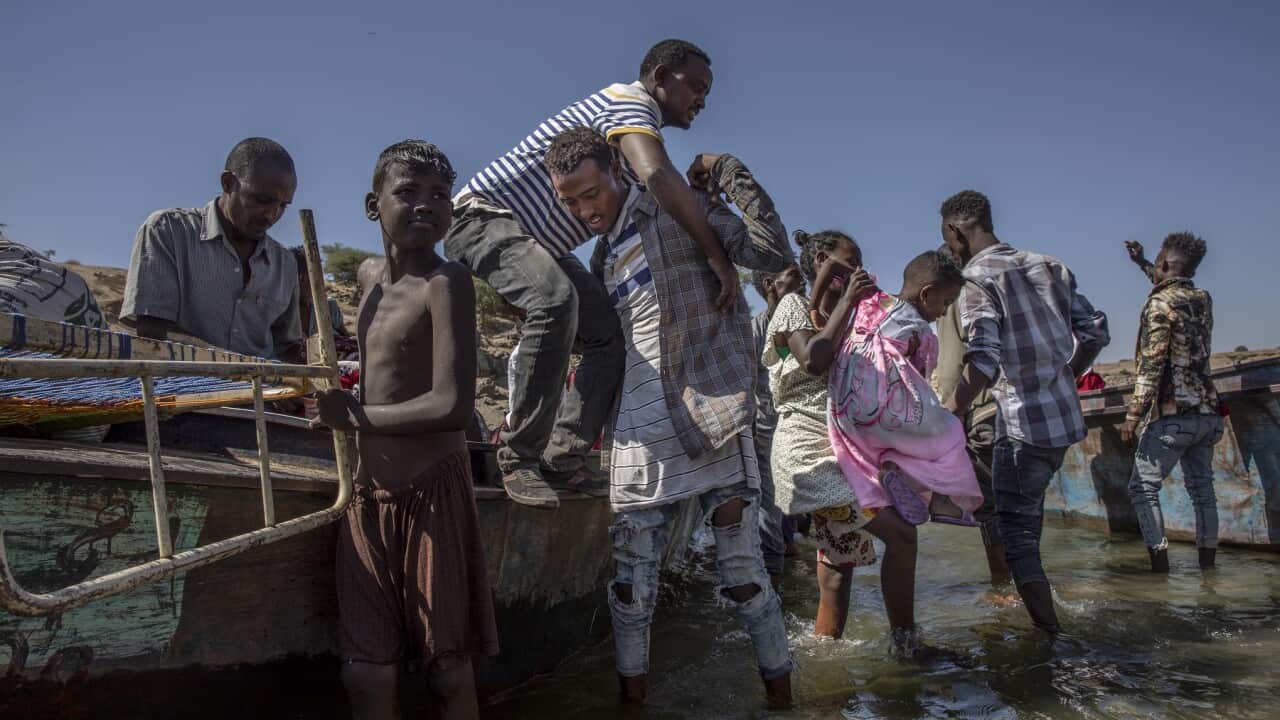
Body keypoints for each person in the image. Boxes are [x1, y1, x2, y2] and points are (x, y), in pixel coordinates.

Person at [545, 128, 794, 707]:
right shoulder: (604, 256)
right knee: (631, 590)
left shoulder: (682, 207)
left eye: (591, 193)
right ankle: (634, 706)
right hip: (638, 431)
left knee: (743, 576)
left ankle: (785, 705)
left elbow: (770, 252)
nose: (585, 211)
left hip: (707, 415)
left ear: (618, 169)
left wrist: (729, 170)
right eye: (570, 202)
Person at [445, 39, 736, 509]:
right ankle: (519, 456)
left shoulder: (624, 143)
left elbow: (661, 193)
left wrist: (705, 177)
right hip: (482, 219)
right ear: (660, 77)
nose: (701, 99)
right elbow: (660, 176)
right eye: (696, 86)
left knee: (607, 336)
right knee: (555, 300)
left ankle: (565, 457)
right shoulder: (628, 103)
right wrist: (717, 256)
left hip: (538, 248)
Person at [312, 141, 499, 720]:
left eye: (440, 195)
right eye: (408, 192)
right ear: (374, 205)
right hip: (365, 495)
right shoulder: (367, 279)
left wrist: (355, 417)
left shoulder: (447, 282)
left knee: (447, 665)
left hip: (431, 492)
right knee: (367, 667)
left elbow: (451, 406)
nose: (426, 205)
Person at [941, 190, 1110, 635]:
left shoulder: (975, 280)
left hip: (1020, 424)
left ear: (955, 231)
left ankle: (1050, 636)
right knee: (1028, 520)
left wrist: (950, 412)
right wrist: (1066, 375)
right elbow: (1094, 332)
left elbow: (983, 359)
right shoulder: (1050, 265)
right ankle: (1041, 613)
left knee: (1015, 534)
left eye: (947, 236)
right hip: (1063, 420)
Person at [766, 229, 925, 653]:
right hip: (810, 458)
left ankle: (824, 661)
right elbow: (812, 359)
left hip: (838, 456)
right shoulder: (790, 307)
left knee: (840, 568)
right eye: (848, 263)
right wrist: (846, 296)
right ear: (823, 259)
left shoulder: (836, 318)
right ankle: (907, 646)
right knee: (903, 536)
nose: (857, 271)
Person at [827, 250, 983, 525]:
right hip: (883, 415)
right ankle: (940, 499)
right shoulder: (921, 333)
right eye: (945, 302)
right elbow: (918, 381)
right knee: (950, 432)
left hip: (845, 413)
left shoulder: (872, 302)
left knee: (899, 439)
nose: (945, 311)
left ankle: (892, 470)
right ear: (926, 293)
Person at [121, 137, 303, 361]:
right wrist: (240, 370)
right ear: (228, 183)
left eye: (283, 205)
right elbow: (152, 332)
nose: (272, 215)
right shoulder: (168, 230)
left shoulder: (285, 263)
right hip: (181, 389)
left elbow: (287, 346)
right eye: (262, 200)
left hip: (263, 391)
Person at [1122, 233, 1222, 571]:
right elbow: (1171, 285)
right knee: (1202, 491)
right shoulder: (1202, 299)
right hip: (1207, 414)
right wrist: (1142, 264)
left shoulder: (1159, 305)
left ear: (1164, 263)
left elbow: (1151, 363)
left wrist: (1134, 415)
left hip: (1172, 417)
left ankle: (1160, 568)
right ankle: (1208, 567)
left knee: (1142, 488)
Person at [934, 252, 1012, 590]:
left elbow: (952, 366)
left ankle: (1004, 585)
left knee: (992, 510)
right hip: (1016, 408)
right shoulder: (1003, 283)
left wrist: (950, 415)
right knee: (1018, 506)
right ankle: (1026, 582)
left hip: (982, 410)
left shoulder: (956, 295)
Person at [750, 268, 794, 572]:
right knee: (771, 504)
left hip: (797, 428)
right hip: (768, 429)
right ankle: (775, 571)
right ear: (769, 286)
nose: (800, 281)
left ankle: (786, 553)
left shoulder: (799, 322)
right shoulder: (757, 329)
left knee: (789, 503)